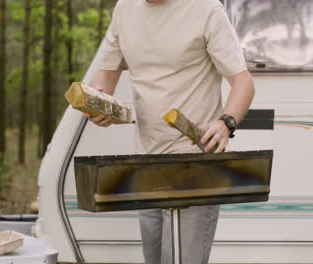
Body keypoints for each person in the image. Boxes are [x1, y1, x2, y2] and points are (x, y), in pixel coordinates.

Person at [85, 0, 255, 263]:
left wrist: (225, 123)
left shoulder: (206, 9)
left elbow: (243, 82)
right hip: (147, 164)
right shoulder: (125, 9)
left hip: (195, 165)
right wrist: (98, 102)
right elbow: (106, 75)